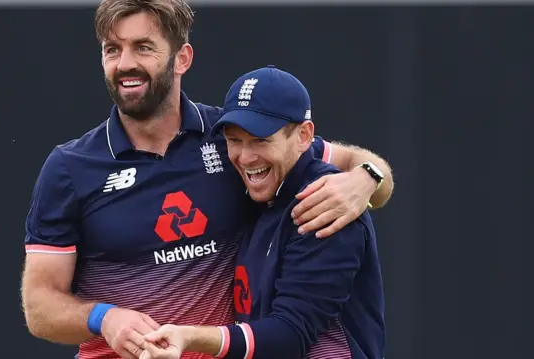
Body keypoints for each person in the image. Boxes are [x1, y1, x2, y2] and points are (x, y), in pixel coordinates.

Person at [20, 1, 394, 359]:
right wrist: (104, 317)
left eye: (143, 47)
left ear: (182, 58)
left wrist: (365, 180)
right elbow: (40, 309)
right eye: (112, 50)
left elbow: (359, 166)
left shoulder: (234, 138)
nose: (126, 64)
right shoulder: (70, 167)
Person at [137, 66, 384, 359]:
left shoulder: (325, 204)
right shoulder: (255, 189)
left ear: (304, 136)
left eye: (260, 140)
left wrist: (188, 335)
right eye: (234, 140)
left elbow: (290, 335)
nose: (245, 156)